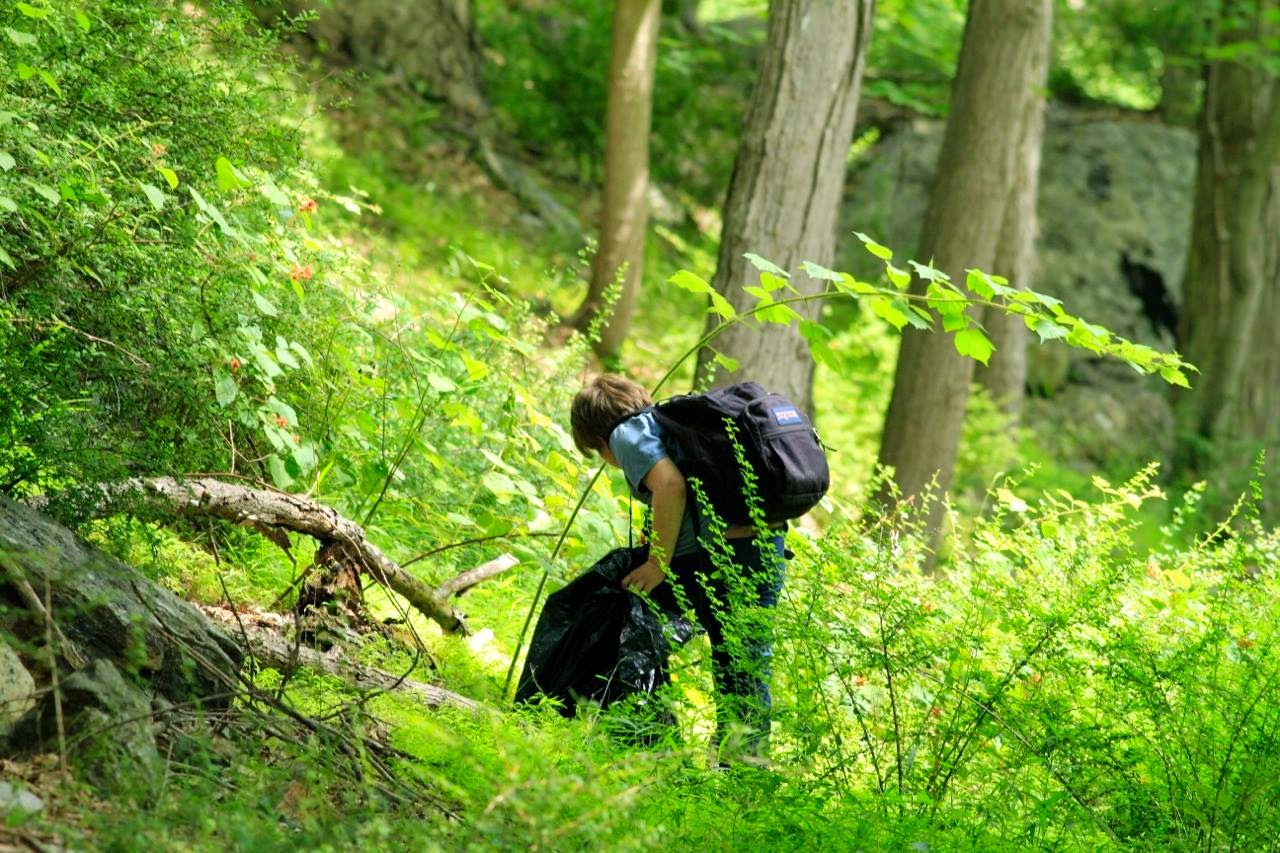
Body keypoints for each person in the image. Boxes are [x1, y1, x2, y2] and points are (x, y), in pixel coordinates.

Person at [569, 373, 787, 759]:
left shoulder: (626, 434)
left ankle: (637, 735)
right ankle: (744, 768)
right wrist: (658, 531)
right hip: (764, 546)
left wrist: (657, 563)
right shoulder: (664, 421)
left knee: (628, 617)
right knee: (745, 663)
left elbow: (670, 486)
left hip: (723, 558)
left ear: (600, 441)